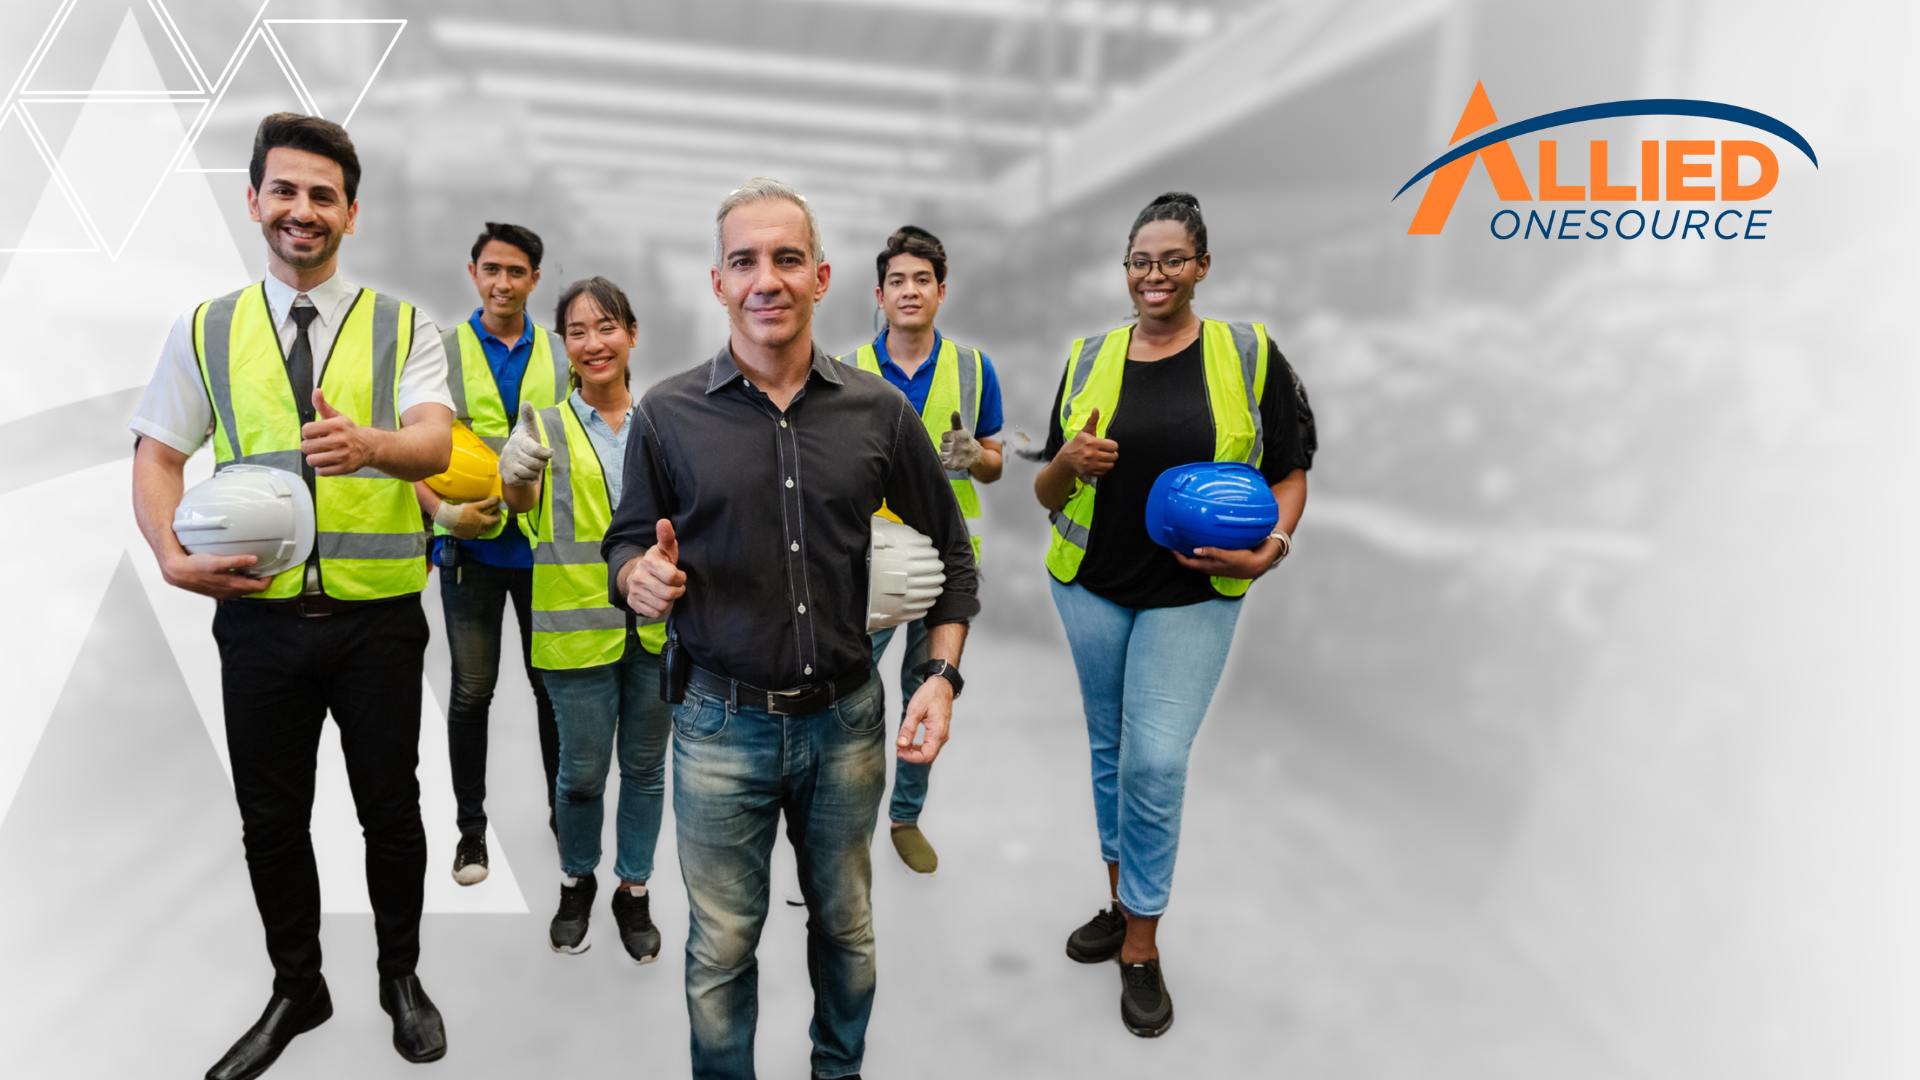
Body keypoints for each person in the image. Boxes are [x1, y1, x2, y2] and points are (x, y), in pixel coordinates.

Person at [604, 178, 978, 1080]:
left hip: (846, 724)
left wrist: (938, 676)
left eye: (784, 259)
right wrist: (637, 579)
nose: (765, 279)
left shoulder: (878, 414)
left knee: (846, 931)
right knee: (723, 946)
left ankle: (835, 1071)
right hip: (717, 726)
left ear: (820, 276)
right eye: (744, 262)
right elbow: (625, 542)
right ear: (718, 282)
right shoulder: (667, 414)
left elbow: (953, 560)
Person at [128, 113, 454, 1078]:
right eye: (285, 190)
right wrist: (167, 555)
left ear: (351, 212)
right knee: (270, 819)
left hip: (378, 621)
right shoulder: (207, 327)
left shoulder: (404, 326)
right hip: (259, 625)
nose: (302, 210)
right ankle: (296, 988)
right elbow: (158, 454)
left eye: (323, 195)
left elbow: (436, 444)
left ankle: (402, 976)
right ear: (255, 200)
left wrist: (373, 447)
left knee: (389, 811)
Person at [1034, 192, 1315, 1039]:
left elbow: (1292, 470)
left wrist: (1274, 546)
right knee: (1112, 750)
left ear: (1200, 266)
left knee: (1155, 762)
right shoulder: (1088, 356)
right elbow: (1047, 493)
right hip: (1091, 584)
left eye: (1171, 260)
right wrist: (1069, 463)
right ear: (1126, 269)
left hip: (1193, 594)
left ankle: (1143, 947)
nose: (1153, 275)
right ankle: (1121, 906)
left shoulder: (1249, 352)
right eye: (1139, 261)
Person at [497, 276, 670, 963]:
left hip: (658, 632)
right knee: (581, 774)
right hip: (575, 634)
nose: (593, 343)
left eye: (606, 327)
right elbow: (520, 503)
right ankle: (577, 879)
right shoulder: (541, 424)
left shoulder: (668, 423)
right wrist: (512, 473)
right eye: (577, 331)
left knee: (647, 769)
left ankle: (634, 888)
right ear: (564, 346)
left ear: (632, 334)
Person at [836, 225, 1004, 875]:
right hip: (869, 561)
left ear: (942, 290)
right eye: (897, 281)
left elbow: (992, 461)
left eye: (922, 279)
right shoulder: (846, 369)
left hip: (944, 563)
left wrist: (978, 458)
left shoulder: (973, 368)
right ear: (879, 295)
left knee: (925, 690)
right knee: (848, 692)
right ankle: (843, 820)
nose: (910, 291)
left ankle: (905, 816)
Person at [413, 221, 570, 886]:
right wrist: (439, 511)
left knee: (552, 692)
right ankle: (471, 834)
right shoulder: (439, 351)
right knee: (472, 691)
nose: (503, 282)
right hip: (469, 553)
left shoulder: (564, 354)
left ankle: (569, 823)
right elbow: (408, 447)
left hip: (546, 554)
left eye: (517, 271)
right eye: (492, 269)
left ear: (535, 278)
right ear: (473, 273)